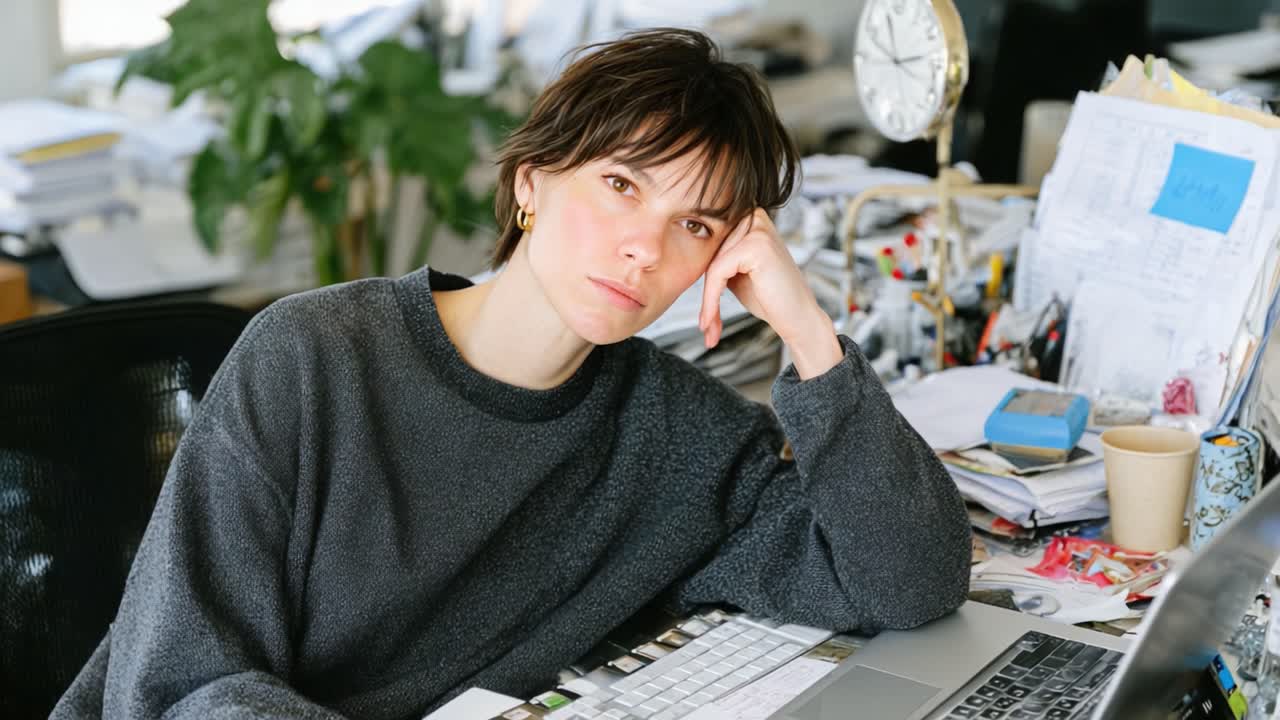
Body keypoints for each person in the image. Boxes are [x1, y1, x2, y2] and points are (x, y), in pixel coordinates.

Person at [53, 27, 970, 720]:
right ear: (530, 182)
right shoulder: (314, 357)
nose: (644, 248)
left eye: (696, 225)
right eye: (621, 185)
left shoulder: (678, 433)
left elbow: (909, 584)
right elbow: (188, 685)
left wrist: (809, 331)